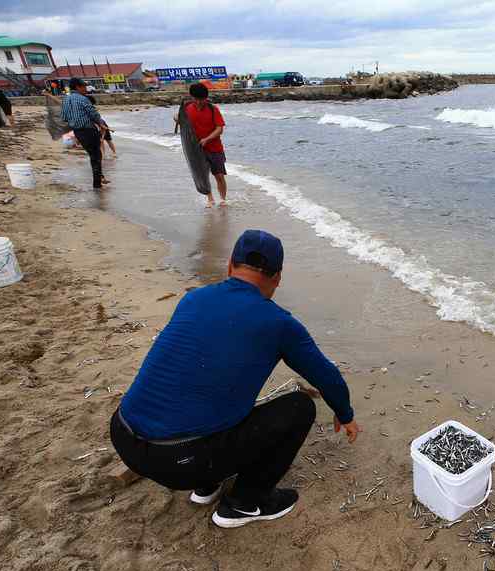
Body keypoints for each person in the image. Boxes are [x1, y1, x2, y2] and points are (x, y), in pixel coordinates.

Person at [110, 229, 361, 528]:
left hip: (124, 436)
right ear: (277, 278)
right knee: (299, 407)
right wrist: (344, 413)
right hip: (180, 461)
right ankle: (244, 503)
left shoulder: (194, 299)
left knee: (210, 382)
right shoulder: (279, 323)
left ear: (230, 265)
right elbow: (326, 375)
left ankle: (206, 486)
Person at [181, 82, 227, 206]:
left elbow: (219, 129)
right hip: (196, 149)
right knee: (202, 175)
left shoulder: (213, 109)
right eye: (196, 99)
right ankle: (210, 199)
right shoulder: (187, 108)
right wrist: (176, 118)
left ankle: (223, 200)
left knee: (219, 175)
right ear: (192, 97)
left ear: (206, 97)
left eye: (202, 99)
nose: (199, 102)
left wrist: (207, 139)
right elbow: (182, 122)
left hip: (215, 148)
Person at [60, 78, 109, 189]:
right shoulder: (83, 99)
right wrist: (101, 124)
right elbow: (94, 114)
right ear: (78, 87)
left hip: (78, 132)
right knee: (96, 156)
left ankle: (100, 178)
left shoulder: (66, 99)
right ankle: (97, 184)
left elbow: (63, 117)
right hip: (89, 130)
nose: (86, 89)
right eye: (84, 86)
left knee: (92, 155)